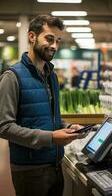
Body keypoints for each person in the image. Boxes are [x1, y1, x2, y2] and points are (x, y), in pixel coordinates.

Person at [0, 14, 83, 196]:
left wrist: (68, 127)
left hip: (55, 166)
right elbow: (4, 127)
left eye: (58, 41)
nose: (54, 46)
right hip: (29, 172)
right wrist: (51, 137)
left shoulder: (51, 75)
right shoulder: (12, 77)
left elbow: (50, 118)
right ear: (32, 36)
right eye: (49, 38)